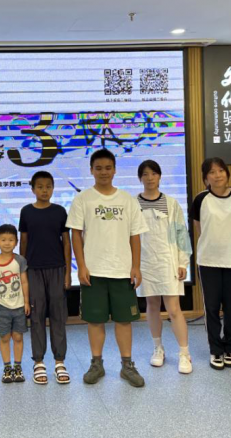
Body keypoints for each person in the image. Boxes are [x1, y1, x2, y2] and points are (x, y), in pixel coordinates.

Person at [67, 148, 148, 387]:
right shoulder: (83, 199)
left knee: (124, 320)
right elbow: (75, 234)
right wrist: (81, 266)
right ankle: (96, 364)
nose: (103, 172)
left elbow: (135, 235)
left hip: (122, 270)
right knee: (95, 320)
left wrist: (136, 266)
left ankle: (127, 366)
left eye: (108, 168)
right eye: (99, 168)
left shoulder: (127, 200)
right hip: (93, 271)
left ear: (114, 170)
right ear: (91, 170)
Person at [189, 157, 231, 370]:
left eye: (221, 171)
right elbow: (199, 228)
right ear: (205, 177)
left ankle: (229, 348)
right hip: (208, 261)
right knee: (212, 307)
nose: (217, 175)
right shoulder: (201, 198)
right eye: (212, 172)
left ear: (227, 173)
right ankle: (215, 350)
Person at [136, 160, 193, 374]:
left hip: (168, 262)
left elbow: (180, 233)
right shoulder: (134, 204)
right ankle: (158, 348)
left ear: (159, 176)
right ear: (140, 178)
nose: (150, 178)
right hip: (145, 263)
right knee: (152, 306)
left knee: (173, 308)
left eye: (153, 173)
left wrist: (182, 262)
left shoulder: (171, 203)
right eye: (145, 174)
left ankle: (184, 353)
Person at [19, 170, 72, 384]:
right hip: (33, 270)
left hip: (57, 269)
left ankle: (59, 361)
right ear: (33, 189)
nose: (44, 190)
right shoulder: (26, 212)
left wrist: (68, 272)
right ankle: (38, 361)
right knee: (37, 315)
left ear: (53, 188)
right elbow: (23, 242)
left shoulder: (60, 211)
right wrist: (22, 270)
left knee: (58, 316)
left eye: (48, 186)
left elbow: (66, 242)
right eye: (40, 187)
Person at [0, 225, 30, 383]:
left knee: (18, 336)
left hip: (19, 306)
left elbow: (24, 282)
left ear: (16, 242)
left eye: (11, 240)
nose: (7, 243)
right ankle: (7, 367)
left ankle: (17, 367)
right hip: (1, 307)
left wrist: (26, 302)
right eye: (3, 240)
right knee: (4, 337)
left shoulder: (20, 260)